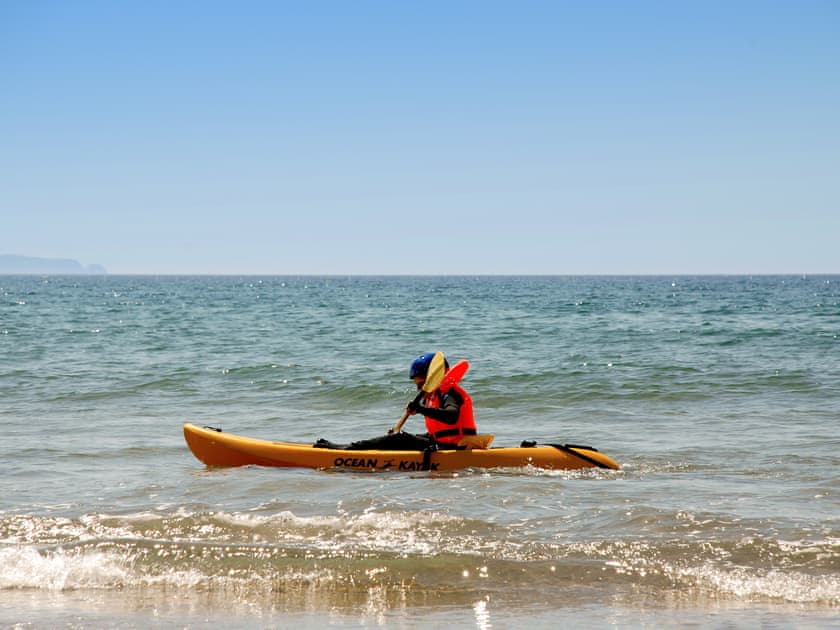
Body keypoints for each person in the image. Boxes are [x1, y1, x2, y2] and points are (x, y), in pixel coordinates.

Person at [314, 352, 477, 451]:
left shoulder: (450, 394)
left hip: (455, 449)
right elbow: (438, 434)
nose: (419, 390)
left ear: (432, 379)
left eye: (421, 384)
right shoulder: (437, 396)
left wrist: (421, 409)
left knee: (398, 439)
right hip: (444, 445)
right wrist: (411, 435)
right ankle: (354, 448)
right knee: (401, 437)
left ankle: (346, 449)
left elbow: (451, 416)